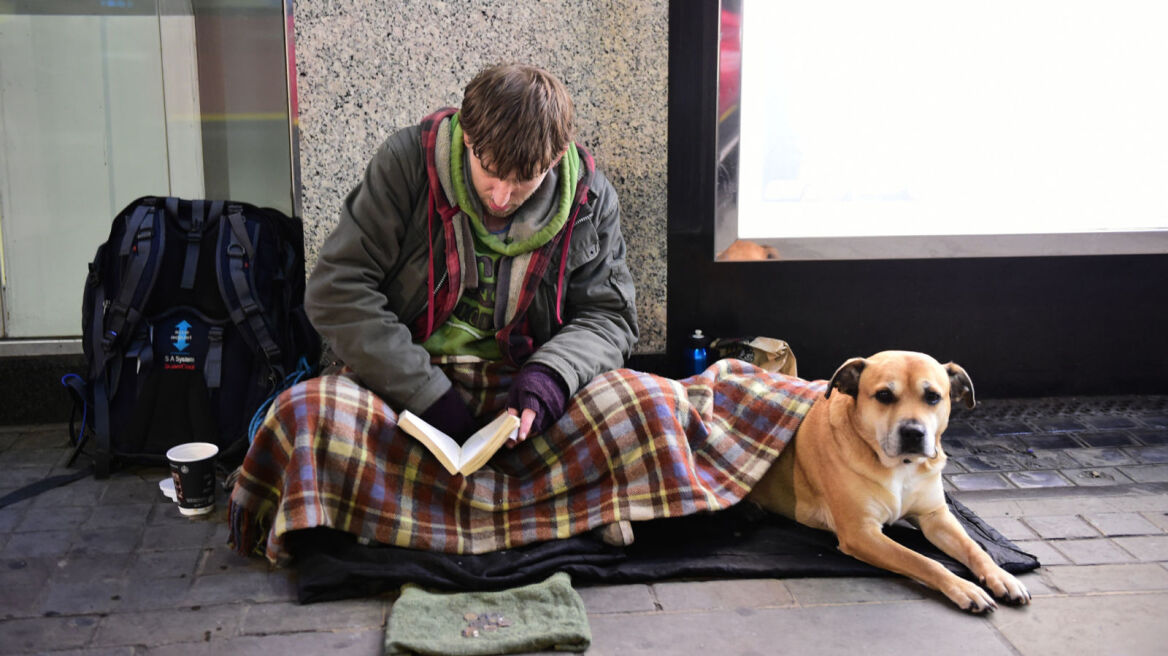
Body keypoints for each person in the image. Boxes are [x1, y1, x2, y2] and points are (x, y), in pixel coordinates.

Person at [305, 63, 639, 444]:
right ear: (467, 136)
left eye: (522, 180)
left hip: (522, 393)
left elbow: (609, 316)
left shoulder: (591, 199)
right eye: (490, 171)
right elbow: (337, 290)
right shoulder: (406, 163)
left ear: (557, 156)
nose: (500, 198)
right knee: (305, 414)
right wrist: (427, 396)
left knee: (649, 409)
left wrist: (550, 376)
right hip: (401, 381)